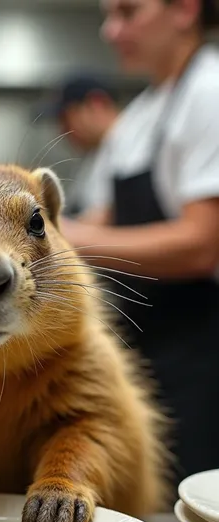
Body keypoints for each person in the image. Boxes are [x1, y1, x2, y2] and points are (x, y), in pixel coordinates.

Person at [62, 0, 219, 486]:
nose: (110, 31)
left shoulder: (209, 93)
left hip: (201, 349)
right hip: (142, 344)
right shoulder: (139, 117)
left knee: (191, 498)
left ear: (185, 9)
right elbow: (97, 220)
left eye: (127, 12)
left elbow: (201, 243)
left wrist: (63, 235)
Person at [42, 74, 121, 218]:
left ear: (96, 104)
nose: (62, 131)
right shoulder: (94, 155)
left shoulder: (130, 147)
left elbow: (104, 219)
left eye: (65, 119)